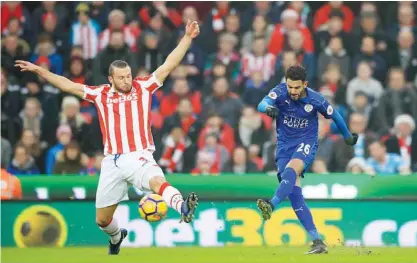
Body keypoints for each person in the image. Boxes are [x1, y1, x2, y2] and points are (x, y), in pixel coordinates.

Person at [15, 20, 201, 255]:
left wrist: (187, 38)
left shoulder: (143, 88)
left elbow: (169, 64)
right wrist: (39, 70)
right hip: (112, 162)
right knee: (102, 220)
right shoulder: (99, 94)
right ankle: (117, 236)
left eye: (129, 76)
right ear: (111, 78)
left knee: (156, 182)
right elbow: (68, 85)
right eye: (121, 77)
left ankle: (182, 206)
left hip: (138, 155)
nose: (127, 81)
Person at [256, 65, 358, 254]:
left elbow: (335, 115)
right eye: (290, 87)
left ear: (305, 84)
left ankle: (271, 204)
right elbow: (261, 104)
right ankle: (318, 241)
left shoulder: (315, 99)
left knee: (291, 170)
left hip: (306, 143)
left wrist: (347, 137)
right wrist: (269, 108)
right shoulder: (279, 91)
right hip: (284, 146)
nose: (293, 91)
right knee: (294, 195)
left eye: (297, 87)